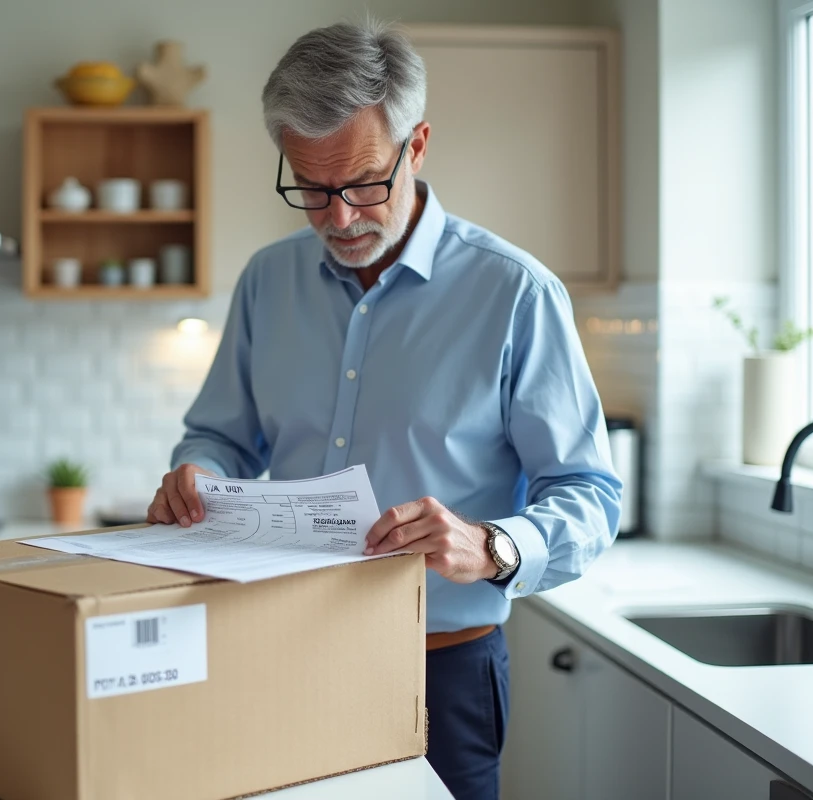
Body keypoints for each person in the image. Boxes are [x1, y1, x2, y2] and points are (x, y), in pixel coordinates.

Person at [145, 18, 622, 800]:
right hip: (277, 650)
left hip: (442, 673)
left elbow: (591, 496)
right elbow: (221, 436)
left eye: (364, 183)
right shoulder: (268, 281)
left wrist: (492, 545)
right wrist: (196, 472)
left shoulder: (516, 294)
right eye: (310, 187)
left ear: (419, 144)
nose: (338, 218)